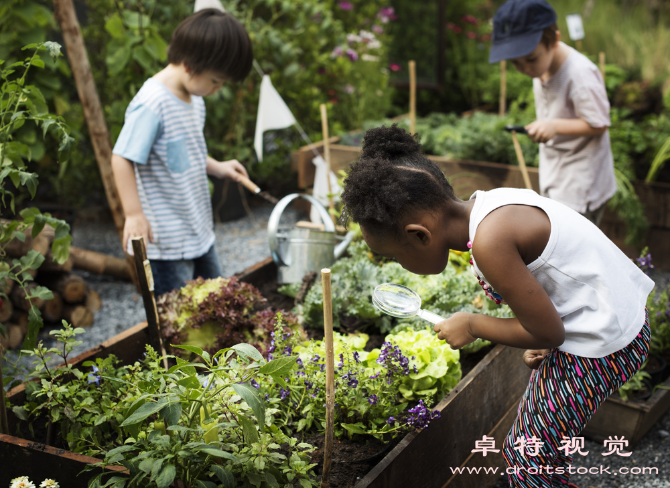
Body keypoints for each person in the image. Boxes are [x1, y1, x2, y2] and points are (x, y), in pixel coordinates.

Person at [340, 125, 653, 488]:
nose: (397, 264)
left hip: (606, 342)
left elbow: (549, 331)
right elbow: (556, 284)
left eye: (394, 256)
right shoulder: (489, 206)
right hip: (616, 318)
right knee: (543, 447)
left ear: (419, 235)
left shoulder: (489, 243)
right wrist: (544, 337)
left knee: (526, 458)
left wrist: (473, 325)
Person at [111, 9, 253, 296]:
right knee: (177, 316)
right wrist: (134, 213)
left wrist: (217, 167)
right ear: (189, 65)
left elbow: (184, 154)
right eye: (216, 80)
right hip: (165, 239)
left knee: (215, 299)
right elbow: (121, 157)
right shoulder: (153, 104)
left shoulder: (193, 97)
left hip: (196, 227)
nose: (218, 89)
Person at [489, 0, 616, 226]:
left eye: (531, 59)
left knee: (573, 247)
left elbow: (600, 123)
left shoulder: (580, 75)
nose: (526, 69)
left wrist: (554, 126)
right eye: (516, 64)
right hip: (557, 173)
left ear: (554, 40)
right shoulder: (541, 66)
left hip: (581, 183)